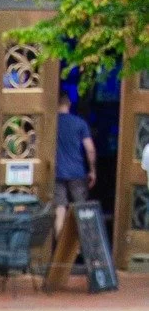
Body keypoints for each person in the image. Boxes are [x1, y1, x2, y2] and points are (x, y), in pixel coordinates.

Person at [54, 90, 96, 239]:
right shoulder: (80, 123)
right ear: (69, 104)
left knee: (60, 209)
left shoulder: (52, 123)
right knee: (82, 210)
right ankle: (86, 247)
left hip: (57, 172)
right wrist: (92, 171)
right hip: (77, 173)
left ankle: (60, 250)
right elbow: (90, 149)